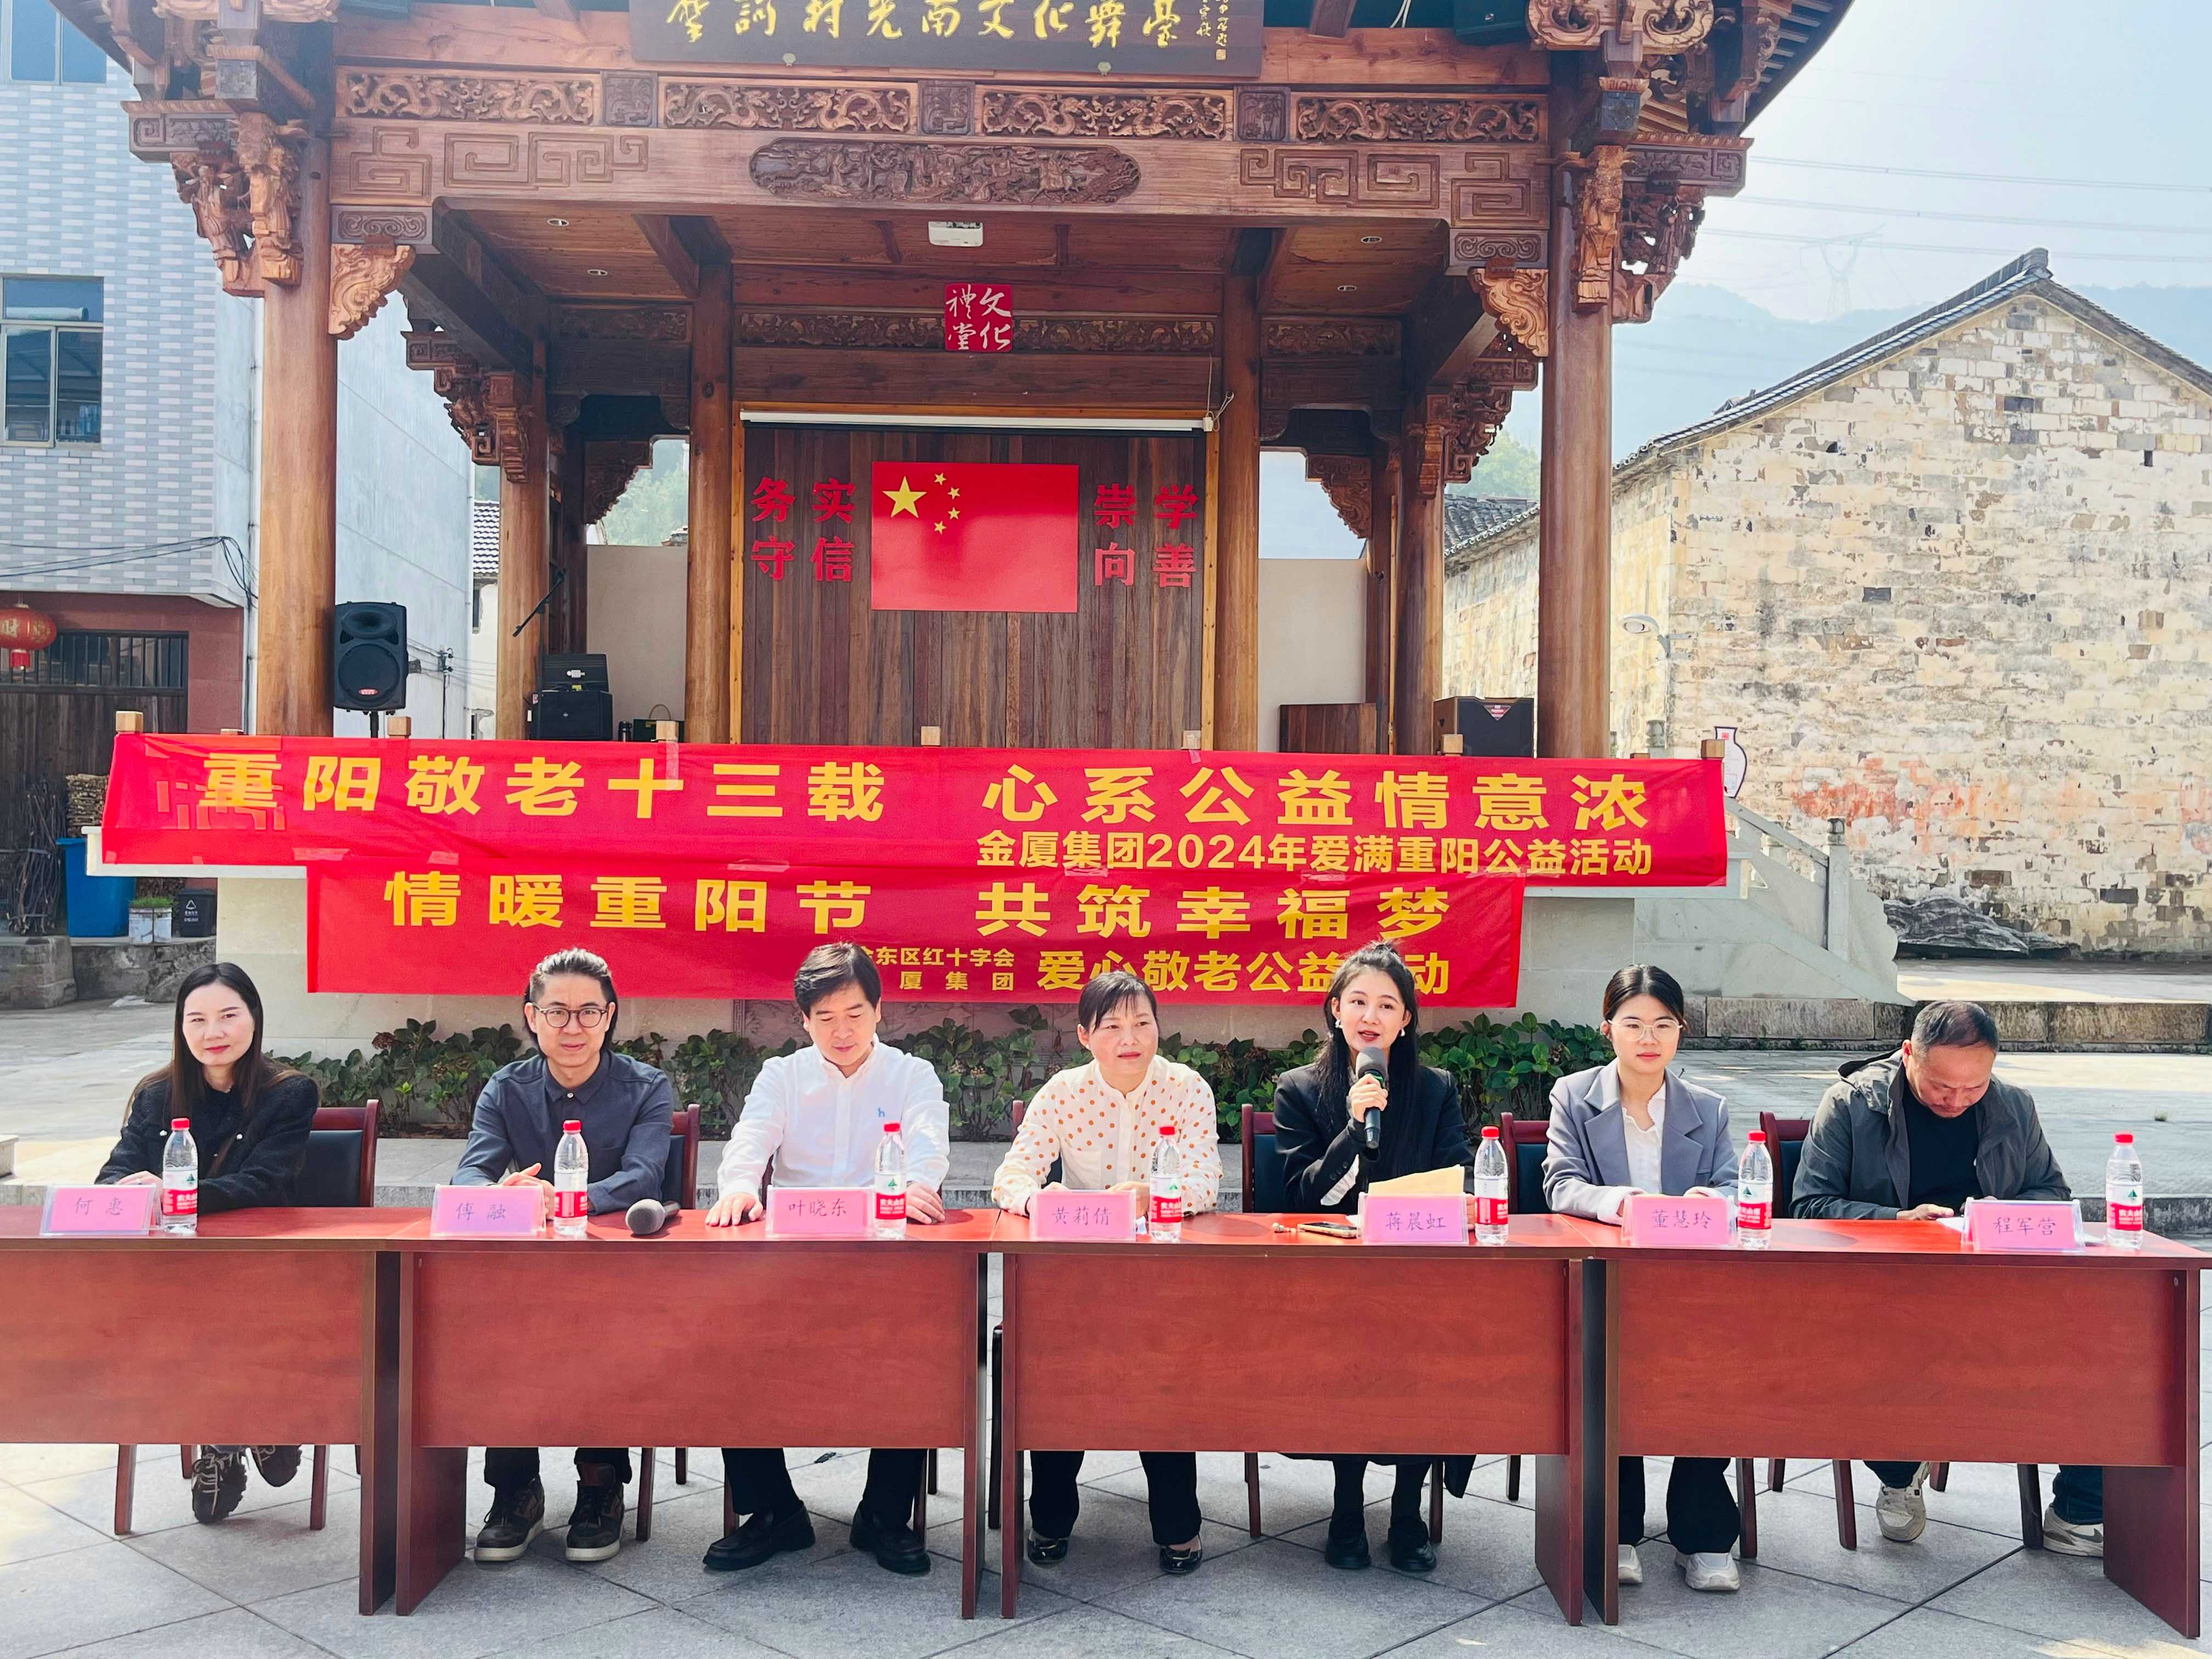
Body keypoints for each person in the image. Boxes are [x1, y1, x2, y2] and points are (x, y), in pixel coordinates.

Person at [1793, 998, 2101, 1556]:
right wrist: (1897, 1220)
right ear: (1908, 1054)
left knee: (2104, 1340)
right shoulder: (1852, 1104)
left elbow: (2053, 1193)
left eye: (1973, 1087)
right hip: (1880, 1291)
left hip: (1991, 1289)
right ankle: (1899, 1468)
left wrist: (1999, 1213)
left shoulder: (2012, 1107)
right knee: (1885, 1349)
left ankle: (2079, 1509)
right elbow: (1809, 1206)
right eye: (1940, 1086)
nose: (1956, 1101)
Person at [703, 943, 952, 1577]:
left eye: (856, 1013)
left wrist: (913, 1187)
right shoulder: (782, 1076)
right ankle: (774, 1512)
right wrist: (739, 1187)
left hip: (885, 1262)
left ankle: (885, 1515)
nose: (843, 1031)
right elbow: (749, 1142)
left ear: (879, 1010)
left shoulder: (911, 1076)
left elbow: (927, 1153)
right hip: (795, 1259)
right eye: (826, 1018)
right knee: (726, 1341)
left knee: (923, 1342)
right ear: (804, 1020)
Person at [992, 969, 1220, 1576]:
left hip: (1161, 1277)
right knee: (1056, 1365)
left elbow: (1207, 1183)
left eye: (1143, 1023)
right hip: (1078, 1278)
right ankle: (1050, 1516)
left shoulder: (1187, 1088)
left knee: (1163, 1370)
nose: (1130, 1038)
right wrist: (1042, 1200)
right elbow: (1011, 1177)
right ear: (1084, 1035)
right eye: (1113, 1026)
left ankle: (1178, 1524)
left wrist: (1153, 1193)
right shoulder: (1063, 1093)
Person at [452, 947, 673, 1566]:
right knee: (489, 1320)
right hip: (525, 1271)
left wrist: (569, 1200)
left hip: (615, 1270)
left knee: (607, 1324)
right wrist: (502, 1193)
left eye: (588, 1012)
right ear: (532, 1016)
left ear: (610, 1017)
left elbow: (645, 1175)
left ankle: (601, 1487)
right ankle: (514, 1490)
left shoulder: (647, 1087)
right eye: (557, 1012)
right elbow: (471, 1173)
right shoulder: (507, 1088)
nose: (573, 1027)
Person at [1542, 964, 1743, 1594]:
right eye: (1633, 1024)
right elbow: (1560, 1184)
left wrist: (1706, 1204)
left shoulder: (1708, 1108)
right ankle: (1619, 1528)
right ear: (1608, 1030)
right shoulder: (1573, 1095)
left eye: (1663, 1025)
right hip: (1608, 1280)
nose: (1648, 1038)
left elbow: (1736, 1189)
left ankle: (1704, 1533)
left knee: (1711, 1372)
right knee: (1610, 1370)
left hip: (1690, 1286)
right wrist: (1621, 1202)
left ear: (1681, 1031)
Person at [98, 960, 321, 1524]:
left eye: (227, 1016)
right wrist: (126, 1191)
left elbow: (266, 1182)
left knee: (222, 1310)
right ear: (180, 1027)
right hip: (174, 1269)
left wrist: (175, 1196)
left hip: (263, 1266)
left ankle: (229, 1436)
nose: (212, 1032)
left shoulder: (289, 1094)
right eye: (196, 1019)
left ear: (254, 1019)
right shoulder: (157, 1094)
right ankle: (247, 1427)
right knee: (161, 1314)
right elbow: (115, 1175)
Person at [1272, 940, 1470, 1573]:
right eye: (1358, 1001)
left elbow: (1459, 1177)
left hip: (1419, 1275)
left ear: (1405, 1020)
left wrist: (1453, 1201)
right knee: (1348, 1351)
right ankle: (1348, 1507)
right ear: (1335, 1010)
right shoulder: (1299, 1090)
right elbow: (1301, 1197)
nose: (1371, 1015)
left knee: (1434, 1348)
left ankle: (1409, 1511)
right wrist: (1356, 1131)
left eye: (1387, 1005)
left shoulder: (1435, 1090)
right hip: (1332, 1279)